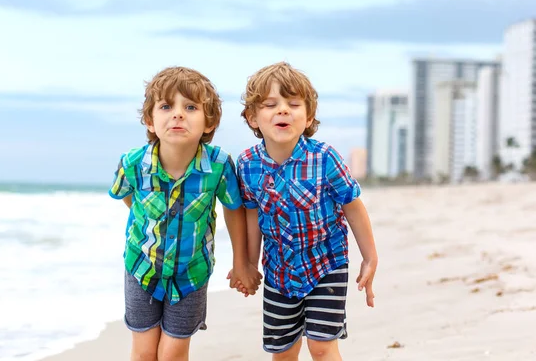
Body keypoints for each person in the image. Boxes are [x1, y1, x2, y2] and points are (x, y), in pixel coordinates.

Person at [109, 66, 262, 361]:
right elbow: (126, 195)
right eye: (166, 106)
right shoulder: (133, 163)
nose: (178, 114)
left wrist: (242, 262)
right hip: (142, 266)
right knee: (143, 353)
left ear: (209, 122)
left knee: (172, 353)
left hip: (191, 272)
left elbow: (234, 210)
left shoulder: (217, 166)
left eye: (190, 107)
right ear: (150, 121)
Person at [235, 62, 378, 360]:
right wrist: (248, 263)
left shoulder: (324, 158)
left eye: (293, 104)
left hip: (327, 263)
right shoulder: (248, 164)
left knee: (322, 346)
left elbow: (352, 205)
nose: (283, 110)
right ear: (252, 118)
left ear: (308, 116)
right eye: (271, 104)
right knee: (283, 351)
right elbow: (251, 214)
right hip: (279, 271)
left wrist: (370, 257)